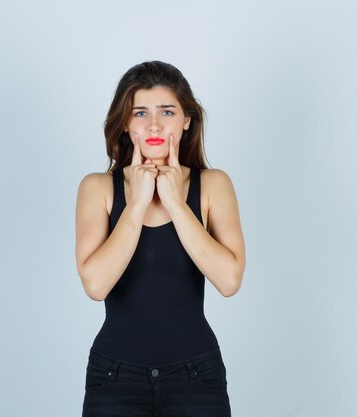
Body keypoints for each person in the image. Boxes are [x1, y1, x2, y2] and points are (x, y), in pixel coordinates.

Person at [75, 60, 246, 417]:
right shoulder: (98, 188)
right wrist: (136, 204)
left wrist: (174, 203)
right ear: (125, 123)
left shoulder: (213, 185)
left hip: (196, 377)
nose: (153, 124)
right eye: (140, 112)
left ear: (186, 119)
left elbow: (229, 281)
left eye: (167, 111)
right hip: (114, 377)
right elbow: (96, 285)